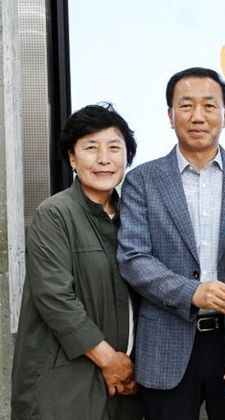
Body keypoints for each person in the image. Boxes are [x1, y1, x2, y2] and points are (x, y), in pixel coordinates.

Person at [116, 67, 225, 419]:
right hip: (166, 342)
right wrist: (192, 292)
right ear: (170, 115)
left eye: (209, 106)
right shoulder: (141, 181)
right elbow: (134, 258)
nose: (198, 116)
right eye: (186, 105)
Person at [11, 104, 141, 419]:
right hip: (65, 384)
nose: (104, 159)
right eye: (91, 148)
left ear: (127, 157)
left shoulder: (134, 217)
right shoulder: (54, 214)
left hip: (124, 385)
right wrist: (110, 360)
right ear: (72, 158)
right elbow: (55, 299)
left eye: (114, 148)